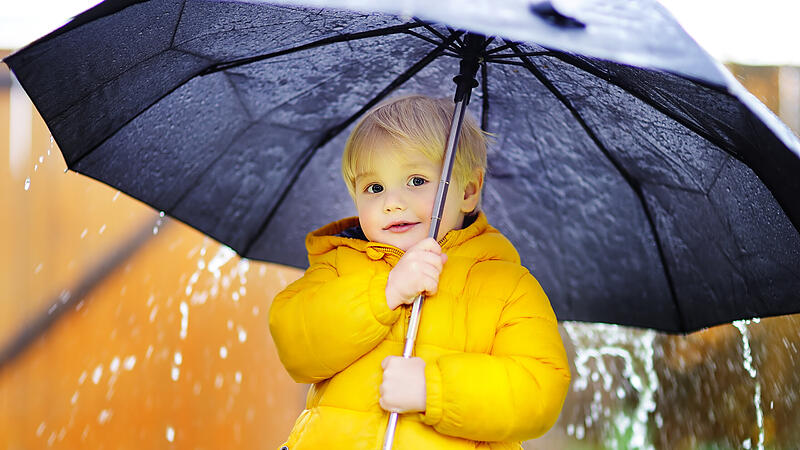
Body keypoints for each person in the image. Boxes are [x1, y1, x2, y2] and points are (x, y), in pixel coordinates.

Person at [269, 95, 570, 449]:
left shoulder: (507, 287)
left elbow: (539, 389)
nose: (392, 202)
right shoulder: (339, 264)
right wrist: (384, 293)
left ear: (468, 191)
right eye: (374, 188)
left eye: (416, 180)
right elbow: (295, 343)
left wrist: (434, 388)